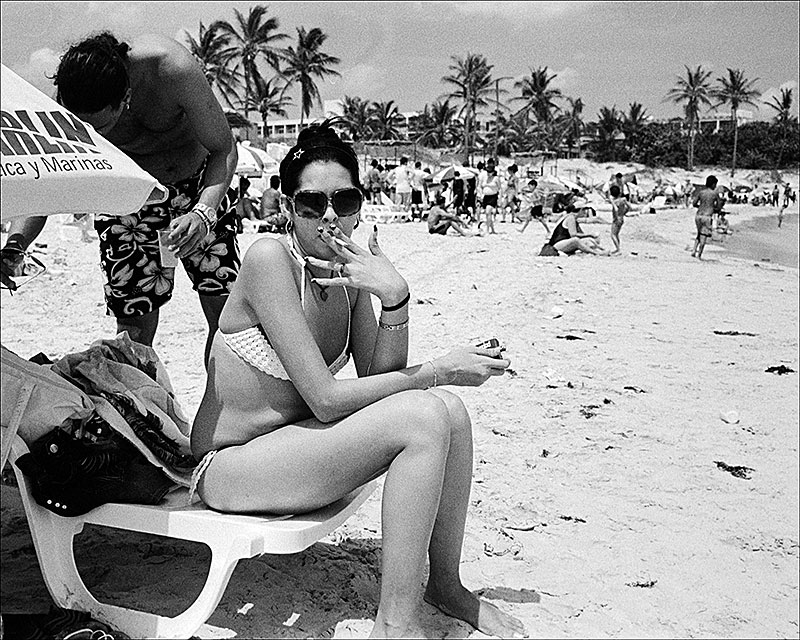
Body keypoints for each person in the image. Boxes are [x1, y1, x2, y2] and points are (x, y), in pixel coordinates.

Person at [189, 120, 524, 639]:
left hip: (295, 451)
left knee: (448, 411)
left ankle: (446, 585)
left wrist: (394, 299)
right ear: (286, 208)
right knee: (426, 410)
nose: (329, 217)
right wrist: (437, 369)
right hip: (231, 467)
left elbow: (379, 377)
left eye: (344, 202)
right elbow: (326, 400)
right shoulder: (268, 259)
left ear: (358, 206)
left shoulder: (347, 271)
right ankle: (395, 624)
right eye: (312, 204)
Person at [26, 31, 241, 365]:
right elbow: (48, 181)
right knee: (133, 329)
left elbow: (224, 148)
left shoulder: (172, 69)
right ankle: (145, 411)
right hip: (129, 199)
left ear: (125, 97)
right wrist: (17, 242)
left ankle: (224, 409)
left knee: (226, 316)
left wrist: (204, 213)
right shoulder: (71, 96)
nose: (92, 136)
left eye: (99, 127)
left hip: (201, 190)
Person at [691, 175, 722, 260]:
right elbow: (719, 206)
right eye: (715, 184)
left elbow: (694, 203)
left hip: (698, 215)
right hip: (707, 216)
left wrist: (701, 206)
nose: (715, 186)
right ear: (713, 184)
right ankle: (699, 255)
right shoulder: (714, 194)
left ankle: (694, 250)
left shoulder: (701, 192)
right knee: (704, 235)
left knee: (699, 233)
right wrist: (713, 209)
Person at [609, 184, 631, 255]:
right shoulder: (622, 200)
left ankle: (618, 249)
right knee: (616, 234)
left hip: (617, 219)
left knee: (613, 235)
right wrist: (624, 213)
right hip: (621, 218)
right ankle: (617, 248)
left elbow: (615, 209)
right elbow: (629, 207)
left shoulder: (615, 202)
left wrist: (616, 218)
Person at [481, 165, 500, 235]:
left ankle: (487, 229)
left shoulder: (496, 178)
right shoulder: (486, 178)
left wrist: (499, 198)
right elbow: (481, 186)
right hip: (486, 196)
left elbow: (499, 187)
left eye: (490, 172)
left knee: (488, 211)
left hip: (493, 196)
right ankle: (492, 229)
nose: (488, 173)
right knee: (488, 214)